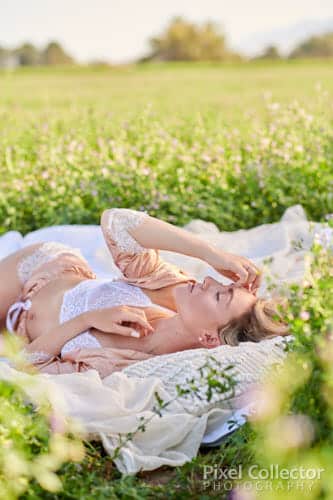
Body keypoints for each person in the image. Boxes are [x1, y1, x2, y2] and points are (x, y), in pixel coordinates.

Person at [0, 208, 289, 378]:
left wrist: (88, 319)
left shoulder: (133, 362)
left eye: (219, 296)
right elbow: (116, 221)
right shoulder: (172, 288)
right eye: (222, 284)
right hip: (41, 271)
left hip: (18, 333)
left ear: (209, 338)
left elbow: (22, 365)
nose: (209, 282)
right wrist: (210, 253)